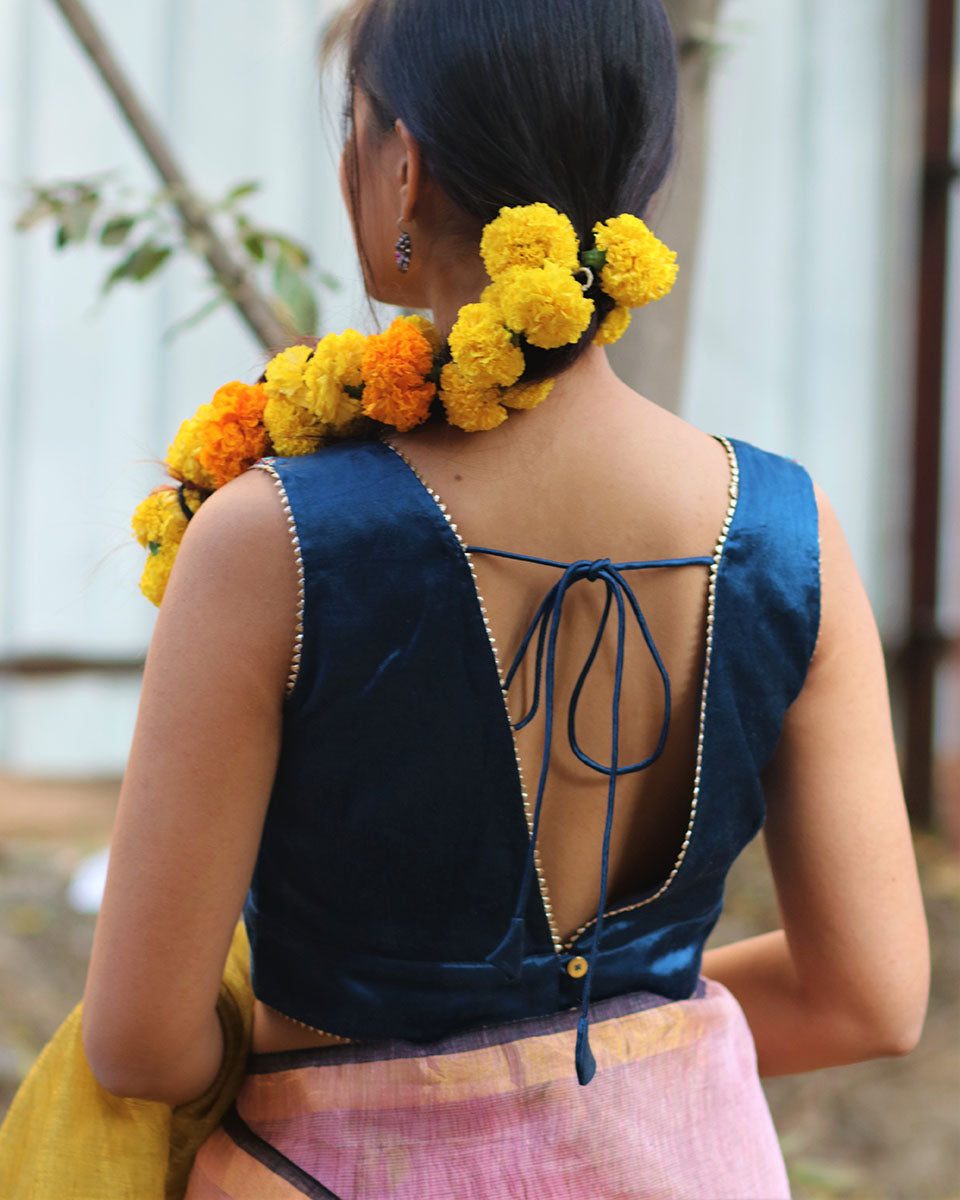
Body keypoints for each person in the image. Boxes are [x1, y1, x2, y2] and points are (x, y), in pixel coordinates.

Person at [10, 0, 930, 1196]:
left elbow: (139, 1040)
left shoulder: (274, 536)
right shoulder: (786, 529)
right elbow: (865, 997)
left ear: (401, 170)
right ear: (638, 171)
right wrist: (578, 1055)